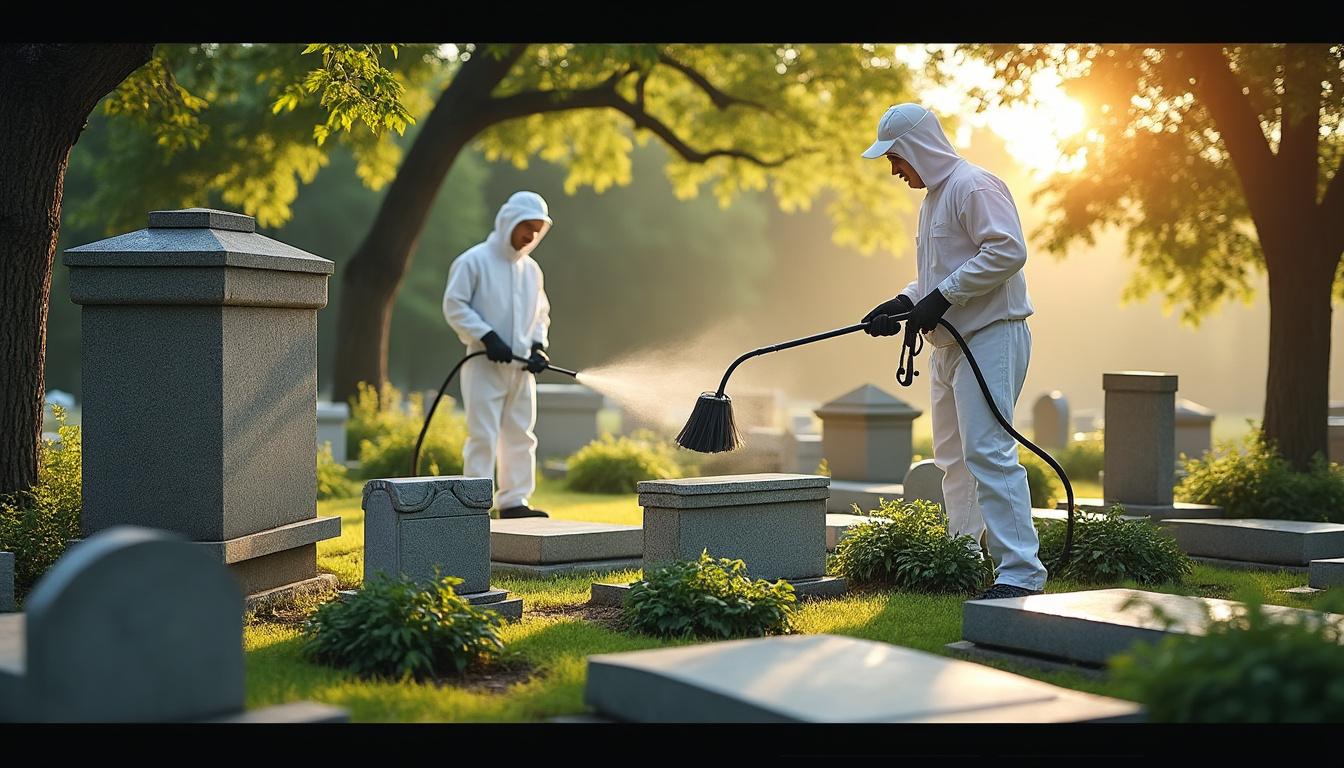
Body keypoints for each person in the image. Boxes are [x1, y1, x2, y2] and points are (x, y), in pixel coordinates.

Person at [859, 103, 1046, 600]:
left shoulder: (974, 185)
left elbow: (1007, 250)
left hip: (990, 335)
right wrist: (904, 301)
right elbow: (939, 273)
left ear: (916, 148)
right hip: (950, 343)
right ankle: (961, 560)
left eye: (895, 159)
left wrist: (941, 297)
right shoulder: (936, 198)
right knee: (953, 458)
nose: (895, 171)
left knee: (988, 451)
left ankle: (1020, 574)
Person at [442, 191, 555, 519]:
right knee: (483, 435)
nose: (530, 236)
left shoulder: (532, 271)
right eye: (526, 227)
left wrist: (537, 347)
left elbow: (541, 313)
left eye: (536, 230)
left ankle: (514, 502)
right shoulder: (473, 261)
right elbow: (454, 304)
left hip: (521, 370)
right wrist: (487, 336)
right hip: (483, 365)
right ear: (509, 222)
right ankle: (475, 506)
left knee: (521, 433)